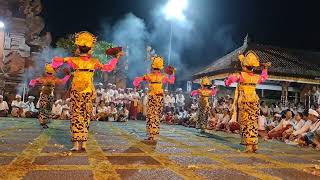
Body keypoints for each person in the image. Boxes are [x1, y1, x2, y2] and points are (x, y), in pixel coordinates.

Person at [51, 31, 124, 151]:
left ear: (78, 48)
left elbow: (56, 61)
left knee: (76, 117)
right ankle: (83, 144)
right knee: (85, 116)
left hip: (77, 92)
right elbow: (108, 68)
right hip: (88, 92)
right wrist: (116, 57)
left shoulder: (73, 60)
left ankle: (76, 145)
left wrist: (56, 65)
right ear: (90, 48)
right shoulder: (94, 61)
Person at [225, 50, 270, 152]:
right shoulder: (256, 77)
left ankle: (249, 145)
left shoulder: (240, 76)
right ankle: (254, 144)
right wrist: (265, 68)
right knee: (253, 123)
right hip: (254, 101)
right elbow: (264, 77)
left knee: (246, 123)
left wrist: (227, 81)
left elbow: (230, 80)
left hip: (244, 102)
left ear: (244, 66)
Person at [133, 55, 175, 141]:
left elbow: (138, 80)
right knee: (156, 115)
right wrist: (173, 73)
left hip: (153, 97)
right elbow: (172, 81)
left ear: (153, 67)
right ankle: (153, 133)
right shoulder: (163, 76)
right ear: (160, 68)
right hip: (159, 98)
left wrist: (137, 83)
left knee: (151, 115)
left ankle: (151, 134)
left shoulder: (149, 76)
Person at [29, 64, 70, 128]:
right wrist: (67, 75)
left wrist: (67, 75)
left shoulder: (50, 79)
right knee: (44, 108)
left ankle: (44, 121)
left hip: (49, 95)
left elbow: (62, 82)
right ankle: (43, 122)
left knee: (47, 109)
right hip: (45, 95)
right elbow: (62, 81)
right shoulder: (46, 79)